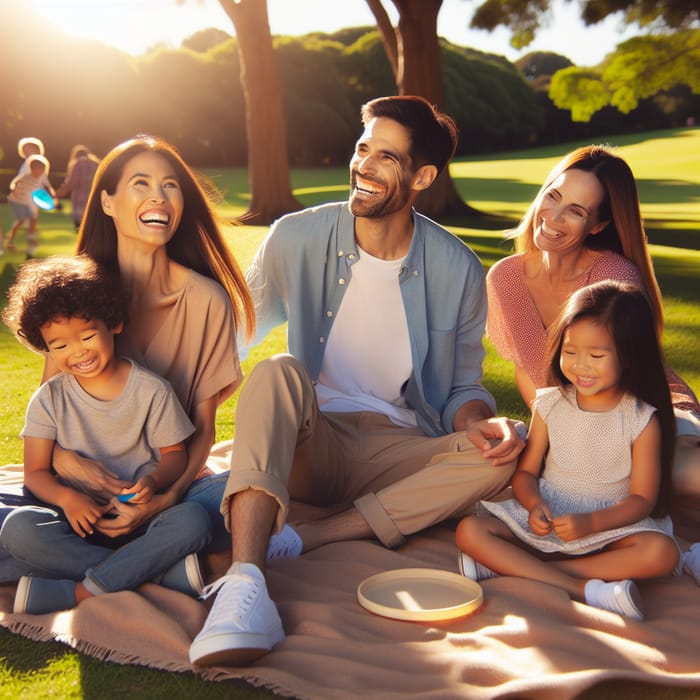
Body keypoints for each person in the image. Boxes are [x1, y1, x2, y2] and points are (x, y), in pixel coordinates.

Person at [188, 95, 526, 667]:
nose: (363, 166)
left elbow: (465, 387)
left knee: (508, 454)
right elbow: (233, 335)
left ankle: (310, 537)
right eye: (362, 148)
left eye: (386, 157)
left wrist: (480, 423)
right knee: (276, 372)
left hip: (400, 447)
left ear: (422, 176)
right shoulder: (297, 236)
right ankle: (247, 583)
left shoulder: (459, 269)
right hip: (312, 442)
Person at [0, 135, 260, 582]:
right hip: (75, 494)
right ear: (106, 202)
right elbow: (50, 410)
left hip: (161, 487)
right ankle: (153, 572)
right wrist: (69, 471)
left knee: (235, 498)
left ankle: (92, 569)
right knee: (15, 525)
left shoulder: (207, 300)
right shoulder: (73, 297)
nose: (159, 195)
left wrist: (163, 498)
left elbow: (203, 428)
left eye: (171, 185)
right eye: (141, 183)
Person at [485, 145, 700, 532]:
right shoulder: (507, 277)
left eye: (577, 211)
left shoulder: (613, 275)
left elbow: (629, 384)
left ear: (598, 226)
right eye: (554, 196)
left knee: (688, 477)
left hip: (646, 409)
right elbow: (530, 372)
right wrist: (553, 435)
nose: (554, 216)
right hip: (577, 417)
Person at [456, 281, 681, 620]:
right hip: (550, 517)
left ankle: (521, 568)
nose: (580, 366)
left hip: (608, 526)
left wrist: (592, 522)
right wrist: (534, 505)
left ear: (630, 356)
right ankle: (582, 587)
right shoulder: (550, 404)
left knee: (662, 553)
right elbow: (527, 474)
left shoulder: (640, 419)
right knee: (469, 531)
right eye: (570, 351)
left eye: (596, 355)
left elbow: (641, 500)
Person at [0, 255, 211, 614]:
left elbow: (175, 454)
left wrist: (153, 479)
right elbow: (35, 473)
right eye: (60, 345)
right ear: (45, 348)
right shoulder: (48, 400)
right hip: (76, 524)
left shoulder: (151, 390)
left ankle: (80, 591)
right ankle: (152, 575)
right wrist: (68, 499)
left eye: (86, 335)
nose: (77, 351)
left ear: (112, 324)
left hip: (141, 519)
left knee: (194, 520)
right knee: (19, 529)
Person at [6, 153, 56, 256]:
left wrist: (51, 196)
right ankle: (11, 241)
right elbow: (15, 185)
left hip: (28, 202)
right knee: (21, 221)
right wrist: (15, 191)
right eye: (40, 170)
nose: (41, 173)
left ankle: (31, 242)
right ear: (33, 169)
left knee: (32, 221)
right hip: (19, 202)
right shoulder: (26, 178)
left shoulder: (38, 179)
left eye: (43, 171)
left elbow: (41, 191)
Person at [55, 145, 100, 230]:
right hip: (94, 202)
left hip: (80, 203)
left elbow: (73, 183)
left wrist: (58, 194)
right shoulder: (95, 163)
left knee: (81, 230)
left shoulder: (79, 163)